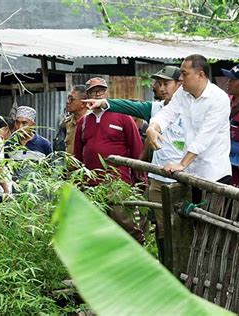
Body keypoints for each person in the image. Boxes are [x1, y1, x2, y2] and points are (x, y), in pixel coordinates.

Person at [82, 66, 183, 261]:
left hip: (184, 177)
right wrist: (104, 102)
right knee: (162, 229)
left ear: (180, 84)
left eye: (166, 84)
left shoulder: (191, 109)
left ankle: (181, 270)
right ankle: (165, 268)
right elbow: (129, 106)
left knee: (182, 226)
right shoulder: (156, 108)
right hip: (158, 176)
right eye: (158, 84)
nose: (161, 88)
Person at [74, 77, 145, 244]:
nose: (98, 94)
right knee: (96, 227)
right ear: (87, 95)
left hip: (118, 182)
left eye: (101, 90)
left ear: (107, 93)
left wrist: (141, 178)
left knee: (124, 223)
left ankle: (135, 257)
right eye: (93, 91)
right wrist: (77, 180)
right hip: (91, 183)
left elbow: (136, 148)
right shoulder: (83, 122)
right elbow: (77, 155)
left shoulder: (123, 117)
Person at [147, 54, 232, 185]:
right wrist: (152, 128)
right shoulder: (182, 92)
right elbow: (167, 113)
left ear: (201, 75)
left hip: (214, 174)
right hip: (190, 173)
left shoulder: (219, 99)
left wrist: (181, 164)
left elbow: (203, 138)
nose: (180, 78)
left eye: (184, 74)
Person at [53, 85, 88, 155]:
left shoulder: (92, 121)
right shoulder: (67, 123)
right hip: (71, 164)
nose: (68, 102)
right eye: (68, 98)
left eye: (71, 99)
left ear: (83, 103)